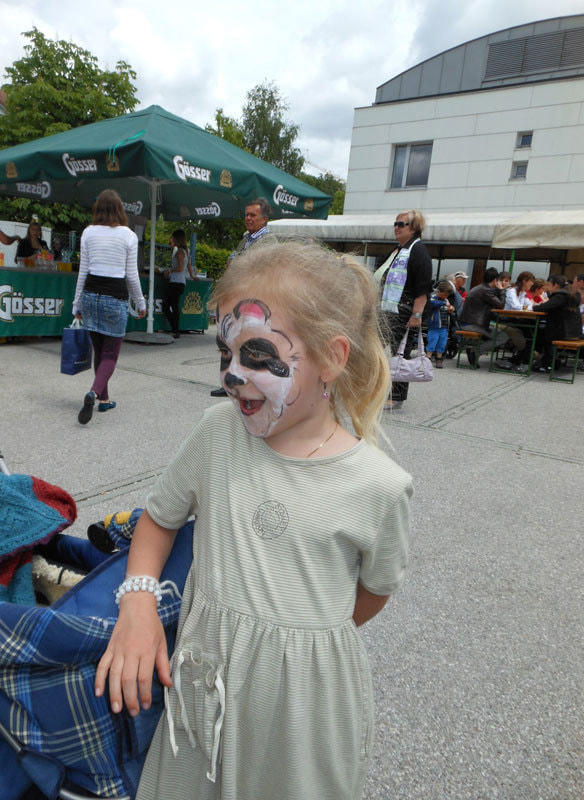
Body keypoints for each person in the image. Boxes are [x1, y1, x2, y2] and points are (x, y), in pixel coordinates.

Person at [95, 240, 412, 800]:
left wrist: (294, 637)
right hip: (201, 692)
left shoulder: (379, 485)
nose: (233, 375)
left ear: (332, 357)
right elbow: (159, 519)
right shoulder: (217, 434)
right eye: (225, 353)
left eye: (258, 355)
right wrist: (138, 604)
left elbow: (371, 594)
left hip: (303, 718)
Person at [72, 189, 146, 424]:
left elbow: (82, 272)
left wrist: (76, 304)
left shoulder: (88, 232)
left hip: (90, 296)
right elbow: (132, 276)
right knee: (110, 355)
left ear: (98, 210)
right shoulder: (128, 236)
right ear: (120, 210)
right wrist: (140, 302)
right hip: (115, 298)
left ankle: (104, 399)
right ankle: (94, 393)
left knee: (99, 351)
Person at [210, 197, 273, 397]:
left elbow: (257, 270)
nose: (248, 218)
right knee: (233, 340)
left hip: (254, 301)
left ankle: (251, 383)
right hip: (239, 298)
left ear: (264, 219)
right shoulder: (246, 239)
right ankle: (231, 382)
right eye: (246, 215)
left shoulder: (268, 242)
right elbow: (234, 263)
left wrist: (236, 264)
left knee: (250, 342)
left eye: (253, 215)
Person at [379, 209, 432, 408]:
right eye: (395, 223)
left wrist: (417, 314)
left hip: (404, 309)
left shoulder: (418, 252)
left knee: (399, 353)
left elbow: (422, 288)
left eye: (401, 224)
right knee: (374, 347)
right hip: (387, 308)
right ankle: (372, 388)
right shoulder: (398, 250)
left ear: (414, 228)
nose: (396, 227)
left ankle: (396, 396)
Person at [460, 267, 527, 368]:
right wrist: (502, 290)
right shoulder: (485, 290)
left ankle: (475, 352)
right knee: (502, 336)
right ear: (495, 280)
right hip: (472, 324)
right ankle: (475, 352)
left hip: (472, 322)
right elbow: (500, 305)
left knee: (502, 334)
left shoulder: (482, 288)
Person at [532, 274, 582, 372]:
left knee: (540, 333)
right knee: (542, 331)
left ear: (555, 285)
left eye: (548, 284)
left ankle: (547, 364)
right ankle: (551, 362)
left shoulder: (560, 296)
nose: (547, 287)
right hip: (573, 331)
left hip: (564, 332)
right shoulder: (571, 294)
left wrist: (534, 306)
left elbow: (543, 307)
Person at [162, 229, 196, 338]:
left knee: (167, 307)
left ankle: (175, 330)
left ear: (177, 239)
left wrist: (169, 271)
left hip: (176, 282)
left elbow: (180, 268)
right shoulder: (185, 251)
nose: (171, 239)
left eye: (173, 237)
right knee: (173, 306)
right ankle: (175, 329)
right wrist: (192, 276)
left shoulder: (179, 252)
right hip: (181, 282)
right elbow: (188, 266)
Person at [426, 280, 455, 367]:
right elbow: (433, 304)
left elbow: (450, 308)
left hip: (444, 327)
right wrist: (444, 303)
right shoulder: (433, 298)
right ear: (438, 291)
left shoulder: (445, 300)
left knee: (442, 344)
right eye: (444, 295)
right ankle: (428, 358)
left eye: (447, 295)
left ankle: (439, 359)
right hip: (434, 326)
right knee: (432, 342)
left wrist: (451, 309)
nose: (445, 297)